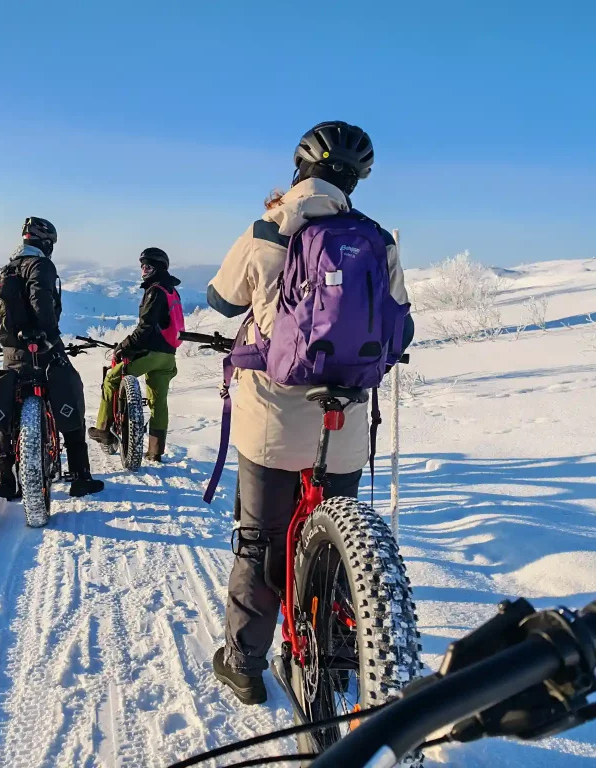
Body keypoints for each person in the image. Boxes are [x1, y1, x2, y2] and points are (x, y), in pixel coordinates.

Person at [205, 122, 415, 704]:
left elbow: (221, 299)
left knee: (260, 539)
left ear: (299, 167)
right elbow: (402, 324)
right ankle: (343, 655)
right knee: (338, 525)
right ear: (355, 179)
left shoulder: (269, 229)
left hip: (271, 418)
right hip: (343, 422)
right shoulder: (376, 239)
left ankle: (244, 663)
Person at [0, 216, 105, 500]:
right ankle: (80, 477)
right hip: (42, 349)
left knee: (7, 404)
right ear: (45, 243)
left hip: (11, 356)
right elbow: (40, 301)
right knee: (70, 390)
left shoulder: (1, 273)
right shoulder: (40, 265)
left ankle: (7, 480)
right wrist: (50, 337)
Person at [88, 247, 183, 461]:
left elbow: (145, 328)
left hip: (151, 354)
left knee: (112, 379)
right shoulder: (171, 291)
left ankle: (103, 430)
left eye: (147, 266)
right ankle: (155, 451)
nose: (143, 270)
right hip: (169, 356)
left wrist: (124, 345)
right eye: (142, 266)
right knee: (159, 402)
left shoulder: (156, 291)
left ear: (158, 268)